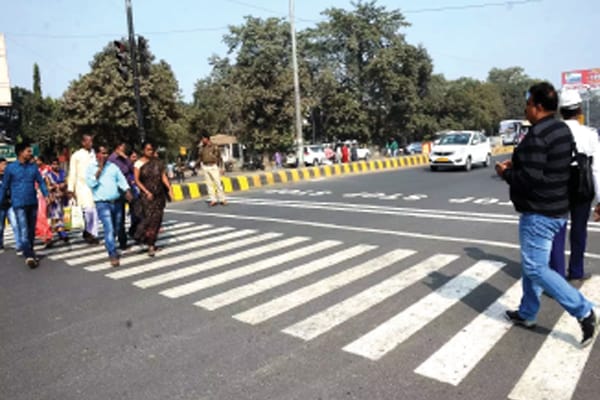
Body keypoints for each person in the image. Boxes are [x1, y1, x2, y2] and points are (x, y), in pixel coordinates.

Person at [496, 82, 596, 347]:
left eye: (528, 104)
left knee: (534, 267)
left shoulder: (537, 135)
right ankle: (527, 312)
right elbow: (549, 166)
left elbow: (529, 179)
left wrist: (505, 172)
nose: (526, 109)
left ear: (538, 107)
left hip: (538, 212)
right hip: (558, 209)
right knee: (532, 261)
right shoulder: (561, 129)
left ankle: (583, 311)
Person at [549, 89, 600, 281]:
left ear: (560, 111)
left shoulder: (553, 132)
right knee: (579, 230)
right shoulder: (589, 134)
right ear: (579, 111)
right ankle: (576, 271)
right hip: (582, 186)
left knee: (557, 232)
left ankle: (557, 274)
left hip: (559, 187)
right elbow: (596, 169)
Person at [0, 142, 49, 268]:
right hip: (18, 203)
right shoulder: (11, 168)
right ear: (21, 152)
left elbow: (41, 182)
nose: (30, 153)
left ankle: (30, 250)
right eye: (28, 151)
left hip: (32, 202)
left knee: (31, 230)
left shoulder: (33, 167)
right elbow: (4, 186)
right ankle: (29, 255)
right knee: (23, 229)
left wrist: (46, 195)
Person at [86, 145, 132, 267]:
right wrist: (99, 170)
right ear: (96, 155)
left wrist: (127, 190)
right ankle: (112, 253)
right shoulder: (91, 168)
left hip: (116, 201)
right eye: (102, 153)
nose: (104, 156)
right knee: (109, 228)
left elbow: (121, 179)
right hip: (102, 203)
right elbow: (91, 183)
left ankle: (117, 243)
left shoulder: (113, 167)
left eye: (106, 153)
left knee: (118, 226)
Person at [134, 142, 173, 257]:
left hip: (159, 195)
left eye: (151, 149)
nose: (150, 151)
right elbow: (137, 180)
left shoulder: (158, 163)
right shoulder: (138, 164)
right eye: (147, 149)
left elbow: (163, 176)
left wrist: (169, 188)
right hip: (147, 196)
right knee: (149, 219)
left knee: (157, 219)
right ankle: (145, 240)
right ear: (143, 150)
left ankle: (151, 243)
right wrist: (146, 191)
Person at [67, 133, 99, 244]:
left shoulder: (94, 154)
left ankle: (91, 233)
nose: (90, 143)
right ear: (83, 142)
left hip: (94, 186)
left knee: (94, 211)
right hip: (82, 187)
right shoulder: (76, 155)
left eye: (91, 141)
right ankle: (89, 232)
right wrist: (71, 189)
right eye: (88, 141)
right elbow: (72, 172)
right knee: (88, 210)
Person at [107, 141, 138, 250]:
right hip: (118, 191)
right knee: (120, 218)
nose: (124, 149)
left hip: (129, 188)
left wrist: (126, 158)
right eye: (123, 147)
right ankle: (122, 241)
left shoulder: (125, 159)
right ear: (118, 147)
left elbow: (131, 169)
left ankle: (134, 232)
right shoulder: (111, 159)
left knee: (136, 211)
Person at [199, 130, 227, 206]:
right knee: (209, 184)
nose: (202, 140)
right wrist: (198, 165)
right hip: (205, 166)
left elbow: (220, 158)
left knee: (218, 183)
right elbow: (200, 157)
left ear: (207, 139)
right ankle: (213, 200)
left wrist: (222, 168)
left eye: (203, 138)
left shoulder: (214, 146)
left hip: (213, 166)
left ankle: (222, 199)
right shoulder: (202, 148)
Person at [45, 158, 69, 244]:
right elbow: (48, 187)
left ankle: (62, 230)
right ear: (51, 165)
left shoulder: (62, 172)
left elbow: (67, 182)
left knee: (65, 214)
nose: (55, 166)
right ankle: (62, 232)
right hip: (55, 197)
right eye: (53, 164)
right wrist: (55, 187)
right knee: (56, 214)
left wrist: (64, 185)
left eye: (57, 164)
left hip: (64, 196)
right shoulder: (48, 175)